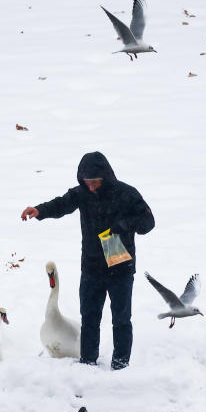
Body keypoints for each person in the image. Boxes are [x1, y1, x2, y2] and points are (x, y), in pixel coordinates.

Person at [21, 152, 154, 369]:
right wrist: (39, 211)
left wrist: (124, 225)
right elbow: (61, 204)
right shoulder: (82, 193)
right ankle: (87, 363)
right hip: (92, 265)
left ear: (106, 178)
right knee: (89, 319)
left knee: (121, 320)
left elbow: (148, 222)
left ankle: (120, 366)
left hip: (119, 262)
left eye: (95, 183)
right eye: (87, 183)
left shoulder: (126, 194)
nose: (91, 187)